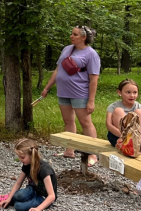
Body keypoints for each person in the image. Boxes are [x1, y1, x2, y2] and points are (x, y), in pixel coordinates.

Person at [42, 25, 100, 166]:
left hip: (80, 93)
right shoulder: (67, 49)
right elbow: (57, 70)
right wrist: (47, 87)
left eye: (74, 34)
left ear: (83, 37)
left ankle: (93, 153)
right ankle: (70, 150)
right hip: (63, 92)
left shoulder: (91, 54)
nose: (71, 36)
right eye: (71, 34)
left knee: (85, 122)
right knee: (68, 121)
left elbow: (94, 79)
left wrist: (91, 101)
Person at [0, 139, 57, 211]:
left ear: (31, 156)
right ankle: (13, 199)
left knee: (18, 207)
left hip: (44, 197)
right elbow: (18, 183)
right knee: (18, 195)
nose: (20, 159)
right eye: (19, 157)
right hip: (33, 190)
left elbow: (52, 196)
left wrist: (38, 209)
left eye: (22, 157)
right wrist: (8, 199)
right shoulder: (27, 164)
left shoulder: (44, 170)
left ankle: (22, 201)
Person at [105, 79, 141, 147]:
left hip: (138, 139)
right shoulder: (113, 107)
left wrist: (136, 137)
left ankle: (136, 145)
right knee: (118, 111)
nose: (132, 95)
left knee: (140, 112)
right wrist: (126, 137)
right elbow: (108, 125)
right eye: (128, 92)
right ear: (119, 92)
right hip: (119, 137)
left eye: (135, 92)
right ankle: (126, 144)